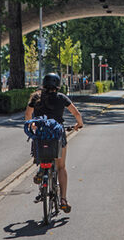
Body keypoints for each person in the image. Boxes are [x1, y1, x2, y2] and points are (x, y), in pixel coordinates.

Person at [25, 73, 83, 213]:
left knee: (40, 148)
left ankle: (40, 170)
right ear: (57, 85)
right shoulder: (61, 97)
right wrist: (78, 125)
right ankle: (63, 199)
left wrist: (32, 126)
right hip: (57, 134)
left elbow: (27, 115)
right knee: (61, 167)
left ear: (44, 84)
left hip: (41, 134)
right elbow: (76, 114)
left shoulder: (36, 97)